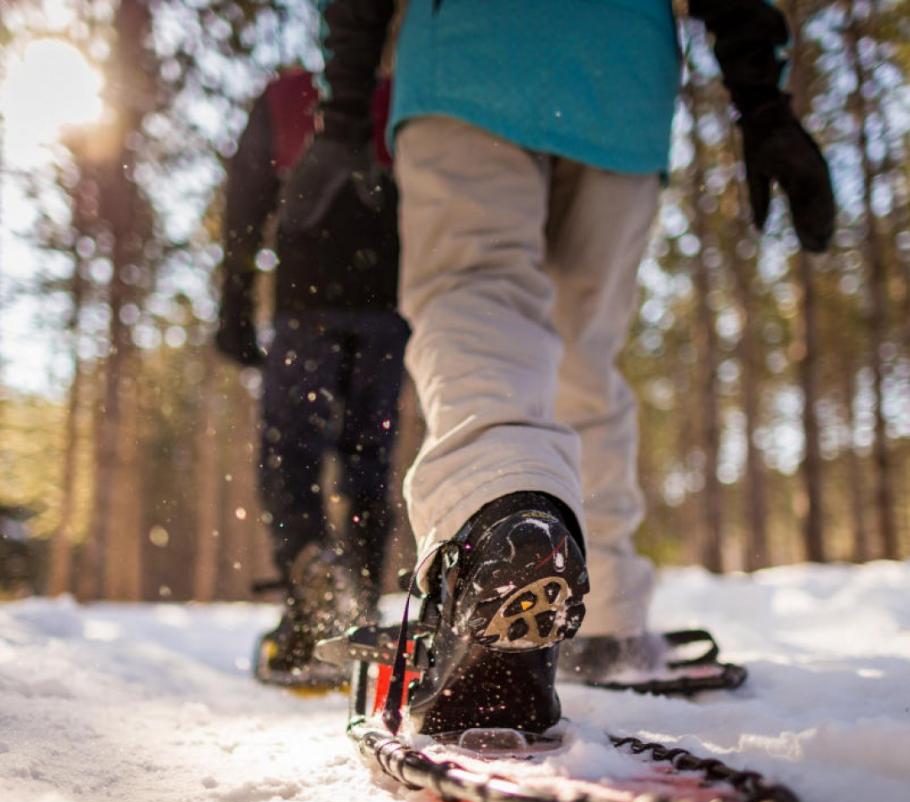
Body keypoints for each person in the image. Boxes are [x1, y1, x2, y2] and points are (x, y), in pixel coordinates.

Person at [284, 0, 834, 731]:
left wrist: (344, 109)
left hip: (468, 60)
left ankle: (501, 532)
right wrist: (763, 103)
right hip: (620, 82)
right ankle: (603, 618)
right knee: (585, 350)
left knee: (475, 293)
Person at [216, 68, 408, 686]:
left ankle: (309, 598)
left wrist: (236, 308)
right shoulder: (403, 94)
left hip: (305, 309)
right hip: (386, 314)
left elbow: (246, 205)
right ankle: (358, 613)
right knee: (368, 462)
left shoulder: (288, 96)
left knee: (289, 456)